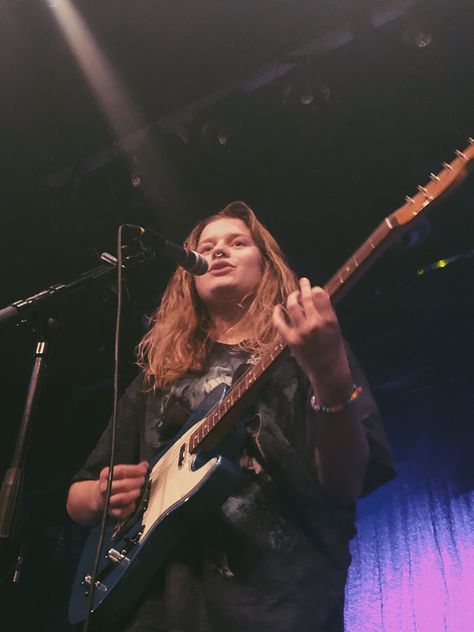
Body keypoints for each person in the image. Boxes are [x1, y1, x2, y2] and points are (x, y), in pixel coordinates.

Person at [67, 201, 395, 632]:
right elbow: (77, 497)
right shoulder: (158, 377)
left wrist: (329, 375)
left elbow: (347, 481)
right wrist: (99, 495)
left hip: (280, 607)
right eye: (208, 246)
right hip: (154, 612)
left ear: (267, 265)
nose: (219, 251)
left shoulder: (310, 353)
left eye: (237, 242)